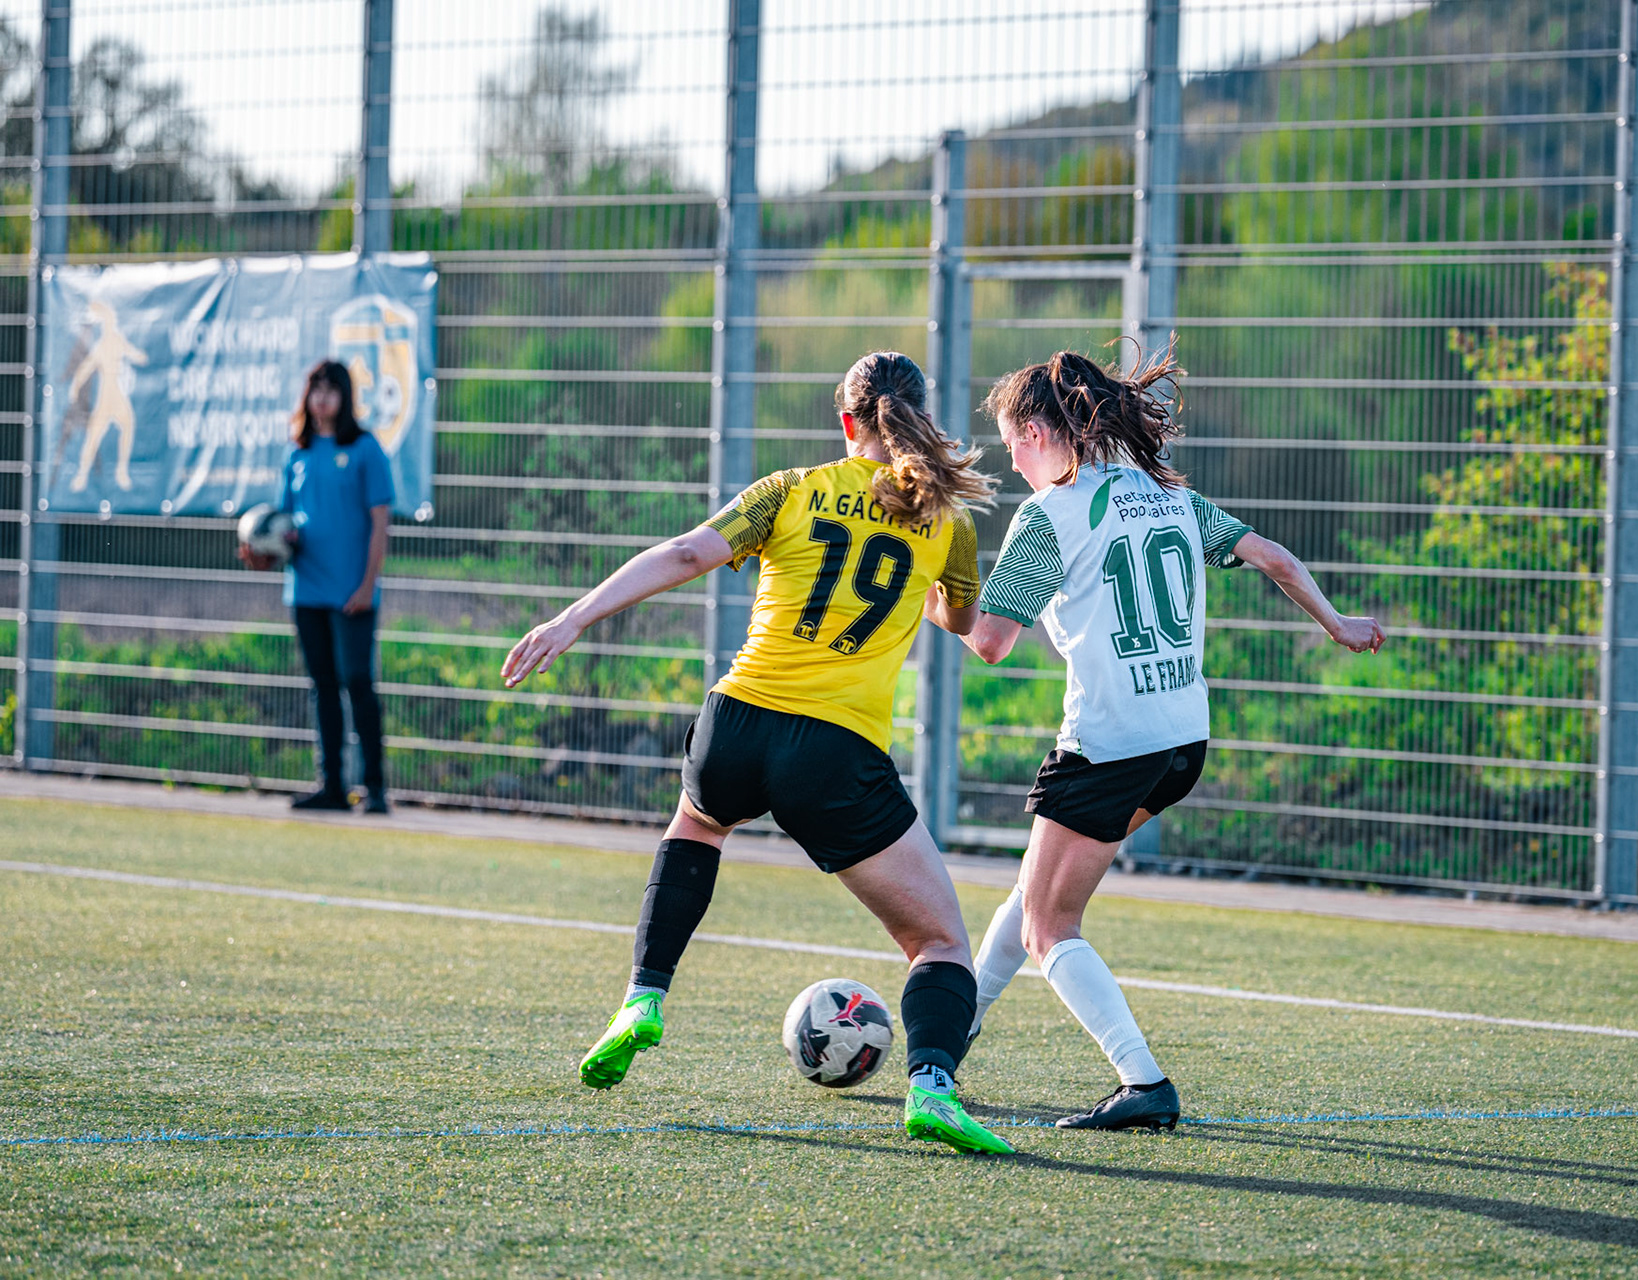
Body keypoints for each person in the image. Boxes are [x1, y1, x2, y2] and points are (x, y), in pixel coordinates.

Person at [501, 352, 1013, 1155]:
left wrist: (573, 619)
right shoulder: (944, 518)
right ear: (917, 415)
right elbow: (969, 626)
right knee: (941, 943)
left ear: (846, 422)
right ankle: (933, 1086)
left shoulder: (792, 489)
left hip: (736, 721)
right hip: (836, 750)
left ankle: (642, 998)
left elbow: (683, 556)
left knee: (698, 830)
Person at [961, 344, 1385, 1131]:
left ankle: (1143, 1081)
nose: (1010, 459)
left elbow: (990, 642)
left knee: (1048, 927)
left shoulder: (1045, 518)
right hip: (1181, 742)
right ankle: (955, 1033)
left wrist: (934, 595)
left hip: (1109, 745)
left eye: (1011, 440)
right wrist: (1336, 624)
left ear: (1038, 432)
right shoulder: (1167, 496)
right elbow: (1274, 557)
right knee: (1034, 887)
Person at [238, 359, 394, 814]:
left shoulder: (365, 450)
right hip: (306, 589)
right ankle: (331, 787)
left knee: (358, 683)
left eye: (332, 390)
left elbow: (380, 523)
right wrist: (264, 551)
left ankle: (376, 788)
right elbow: (285, 525)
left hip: (352, 592)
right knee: (322, 685)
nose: (323, 398)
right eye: (316, 390)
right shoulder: (297, 453)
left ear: (346, 398)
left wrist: (368, 585)